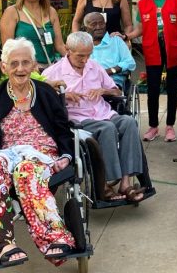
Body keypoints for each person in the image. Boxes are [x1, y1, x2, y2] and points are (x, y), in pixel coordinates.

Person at [0, 38, 77, 265]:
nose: (20, 69)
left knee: (26, 169)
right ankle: (3, 244)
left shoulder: (45, 92)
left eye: (26, 63)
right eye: (14, 64)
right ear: (4, 67)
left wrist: (67, 156)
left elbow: (64, 130)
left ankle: (54, 237)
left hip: (41, 154)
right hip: (6, 153)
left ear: (34, 65)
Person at [43, 32, 152, 204]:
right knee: (107, 128)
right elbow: (41, 97)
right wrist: (63, 96)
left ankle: (125, 183)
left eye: (88, 55)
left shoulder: (95, 66)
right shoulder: (54, 72)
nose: (85, 60)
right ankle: (105, 184)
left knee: (129, 122)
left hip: (104, 113)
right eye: (81, 56)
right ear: (67, 50)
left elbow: (117, 91)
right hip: (78, 120)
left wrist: (103, 91)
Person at [130, 0, 177, 141]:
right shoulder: (143, 3)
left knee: (172, 88)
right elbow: (139, 29)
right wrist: (126, 36)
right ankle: (153, 126)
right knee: (153, 88)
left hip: (174, 49)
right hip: (152, 48)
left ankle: (170, 126)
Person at [0, 0, 66, 69]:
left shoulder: (51, 11)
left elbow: (59, 45)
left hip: (51, 67)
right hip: (26, 69)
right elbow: (8, 49)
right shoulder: (12, 12)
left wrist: (75, 58)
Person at [83, 12, 136, 88]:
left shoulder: (116, 41)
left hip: (112, 82)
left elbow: (129, 62)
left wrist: (110, 71)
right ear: (86, 29)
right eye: (94, 24)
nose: (98, 27)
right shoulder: (82, 44)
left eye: (101, 23)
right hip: (87, 83)